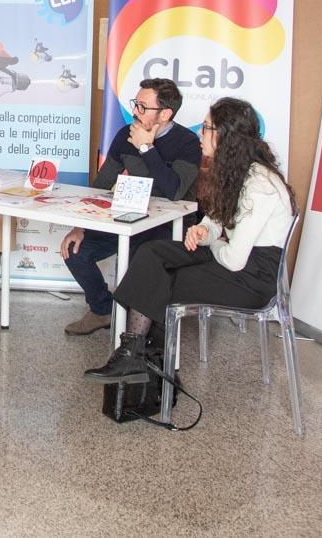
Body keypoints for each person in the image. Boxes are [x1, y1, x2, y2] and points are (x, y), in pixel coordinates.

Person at [85, 97, 295, 385]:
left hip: (252, 278)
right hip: (234, 258)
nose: (200, 133)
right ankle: (137, 353)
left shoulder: (260, 185)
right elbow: (217, 218)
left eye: (206, 128)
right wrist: (205, 231)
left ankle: (139, 357)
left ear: (225, 136)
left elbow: (234, 259)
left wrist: (213, 241)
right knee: (152, 253)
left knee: (163, 279)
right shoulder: (237, 170)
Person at [60, 78, 201, 336]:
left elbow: (174, 190)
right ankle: (102, 310)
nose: (135, 111)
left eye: (143, 107)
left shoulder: (188, 143)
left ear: (166, 114)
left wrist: (146, 147)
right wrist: (80, 225)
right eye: (136, 104)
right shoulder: (125, 135)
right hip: (128, 217)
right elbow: (102, 184)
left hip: (165, 227)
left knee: (140, 260)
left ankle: (137, 333)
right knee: (74, 249)